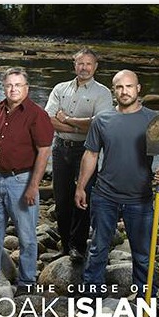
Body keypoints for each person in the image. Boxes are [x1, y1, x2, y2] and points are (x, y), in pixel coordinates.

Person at [75, 70, 159, 299]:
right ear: (114, 91)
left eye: (129, 86)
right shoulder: (102, 120)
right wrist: (81, 187)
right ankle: (91, 300)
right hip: (104, 196)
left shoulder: (155, 121)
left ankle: (145, 300)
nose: (124, 91)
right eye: (119, 87)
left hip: (140, 199)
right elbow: (91, 155)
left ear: (138, 89)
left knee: (142, 254)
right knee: (98, 249)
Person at [0, 67, 54, 295]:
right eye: (9, 85)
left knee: (27, 236)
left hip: (22, 181)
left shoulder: (36, 114)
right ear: (4, 87)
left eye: (18, 85)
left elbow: (44, 151)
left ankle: (26, 281)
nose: (13, 89)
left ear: (26, 88)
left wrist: (33, 186)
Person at [45, 48, 114, 263]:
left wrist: (66, 120)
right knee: (62, 197)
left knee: (83, 197)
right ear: (74, 65)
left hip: (86, 150)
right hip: (60, 149)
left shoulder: (102, 93)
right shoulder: (60, 88)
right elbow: (48, 119)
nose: (84, 68)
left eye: (88, 64)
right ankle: (65, 245)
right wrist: (79, 125)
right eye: (80, 63)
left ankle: (78, 247)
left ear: (95, 67)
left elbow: (99, 125)